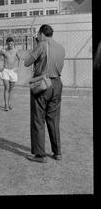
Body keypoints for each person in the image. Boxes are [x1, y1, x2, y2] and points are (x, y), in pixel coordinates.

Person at [24, 24, 65, 163]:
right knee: (53, 120)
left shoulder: (41, 45)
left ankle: (40, 155)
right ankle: (57, 152)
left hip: (43, 84)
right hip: (57, 83)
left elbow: (27, 63)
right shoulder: (61, 47)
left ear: (41, 34)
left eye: (38, 34)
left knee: (38, 119)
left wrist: (35, 46)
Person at [0, 37, 20, 111]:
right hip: (5, 70)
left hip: (13, 71)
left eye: (11, 43)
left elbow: (19, 59)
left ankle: (9, 103)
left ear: (13, 43)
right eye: (8, 43)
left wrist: (18, 67)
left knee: (11, 89)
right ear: (7, 44)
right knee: (6, 88)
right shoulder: (3, 51)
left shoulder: (16, 51)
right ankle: (6, 105)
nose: (10, 45)